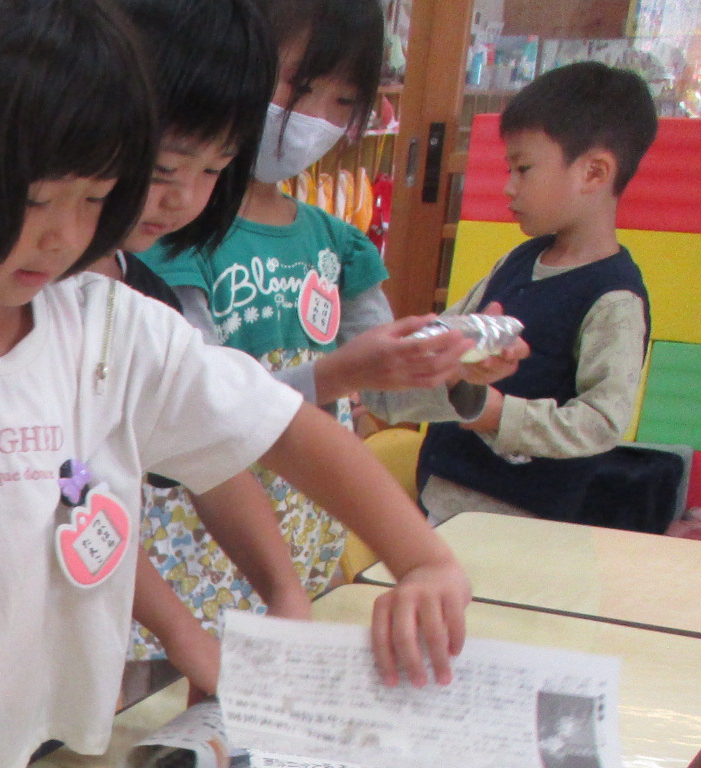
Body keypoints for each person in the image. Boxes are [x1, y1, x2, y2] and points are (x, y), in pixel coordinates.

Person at [0, 0, 471, 768]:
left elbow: (280, 428)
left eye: (96, 195)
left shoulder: (108, 325)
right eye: (35, 200)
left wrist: (421, 560)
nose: (65, 236)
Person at [144, 0, 518, 610]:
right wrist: (340, 373)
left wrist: (452, 366)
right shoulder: (168, 232)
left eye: (343, 103)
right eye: (301, 85)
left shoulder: (337, 243)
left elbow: (386, 389)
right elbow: (209, 410)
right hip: (187, 552)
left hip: (301, 539)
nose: (314, 119)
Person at [94, 0, 314, 700]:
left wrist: (285, 592)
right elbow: (69, 495)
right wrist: (187, 637)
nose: (184, 197)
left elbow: (216, 455)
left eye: (217, 168)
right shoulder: (26, 306)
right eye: (163, 167)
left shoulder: (142, 299)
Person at [409, 63, 657, 524]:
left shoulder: (615, 298)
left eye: (523, 169)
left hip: (518, 521)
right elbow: (448, 331)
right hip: (443, 496)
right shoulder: (518, 260)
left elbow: (602, 421)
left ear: (594, 172)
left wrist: (500, 415)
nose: (509, 186)